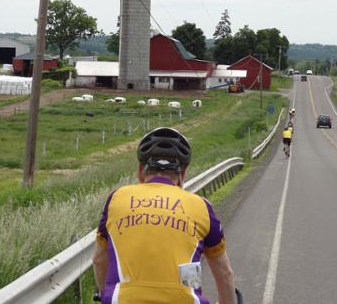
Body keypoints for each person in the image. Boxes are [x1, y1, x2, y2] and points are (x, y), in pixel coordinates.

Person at [93, 127, 235, 304]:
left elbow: (99, 260)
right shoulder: (201, 206)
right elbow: (225, 273)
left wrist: (102, 293)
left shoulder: (117, 198)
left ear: (140, 171)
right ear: (182, 175)